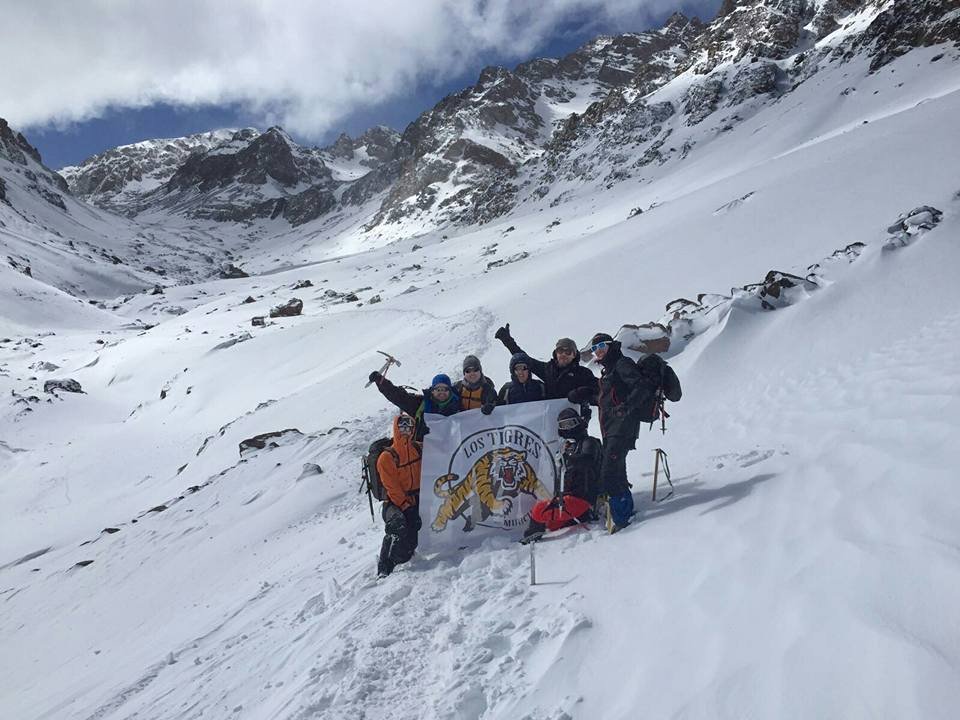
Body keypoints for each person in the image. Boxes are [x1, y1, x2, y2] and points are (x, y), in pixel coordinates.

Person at [567, 332, 647, 532]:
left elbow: (641, 386)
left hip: (622, 428)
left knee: (609, 472)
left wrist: (626, 407)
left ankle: (621, 520)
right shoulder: (609, 369)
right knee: (617, 470)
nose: (599, 351)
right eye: (595, 348)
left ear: (611, 345)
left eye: (602, 345)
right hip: (612, 428)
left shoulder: (622, 364)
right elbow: (610, 399)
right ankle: (626, 511)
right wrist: (587, 394)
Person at [521, 408, 602, 542]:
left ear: (578, 423)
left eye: (571, 424)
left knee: (539, 510)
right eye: (564, 425)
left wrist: (569, 459)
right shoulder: (569, 446)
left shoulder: (589, 442)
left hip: (583, 498)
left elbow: (588, 460)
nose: (568, 428)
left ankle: (531, 536)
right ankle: (579, 517)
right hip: (570, 496)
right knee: (552, 525)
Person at [493, 324, 598, 408]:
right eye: (560, 351)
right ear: (556, 353)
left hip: (577, 420)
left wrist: (582, 392)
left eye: (568, 352)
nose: (563, 354)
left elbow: (599, 388)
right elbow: (525, 359)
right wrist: (507, 340)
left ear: (574, 355)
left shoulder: (583, 373)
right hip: (551, 419)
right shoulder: (548, 369)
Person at [376, 413, 422, 578]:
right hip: (394, 503)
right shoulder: (386, 457)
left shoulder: (418, 448)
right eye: (402, 427)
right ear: (396, 428)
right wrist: (405, 506)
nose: (405, 431)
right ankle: (384, 567)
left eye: (409, 427)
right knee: (398, 525)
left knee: (408, 546)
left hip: (415, 500)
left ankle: (401, 557)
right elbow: (392, 487)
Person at [368, 371, 460, 438]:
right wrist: (382, 382)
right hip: (424, 453)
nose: (441, 393)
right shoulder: (421, 404)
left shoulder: (458, 405)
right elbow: (399, 397)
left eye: (445, 389)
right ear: (432, 391)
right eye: (438, 389)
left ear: (450, 391)